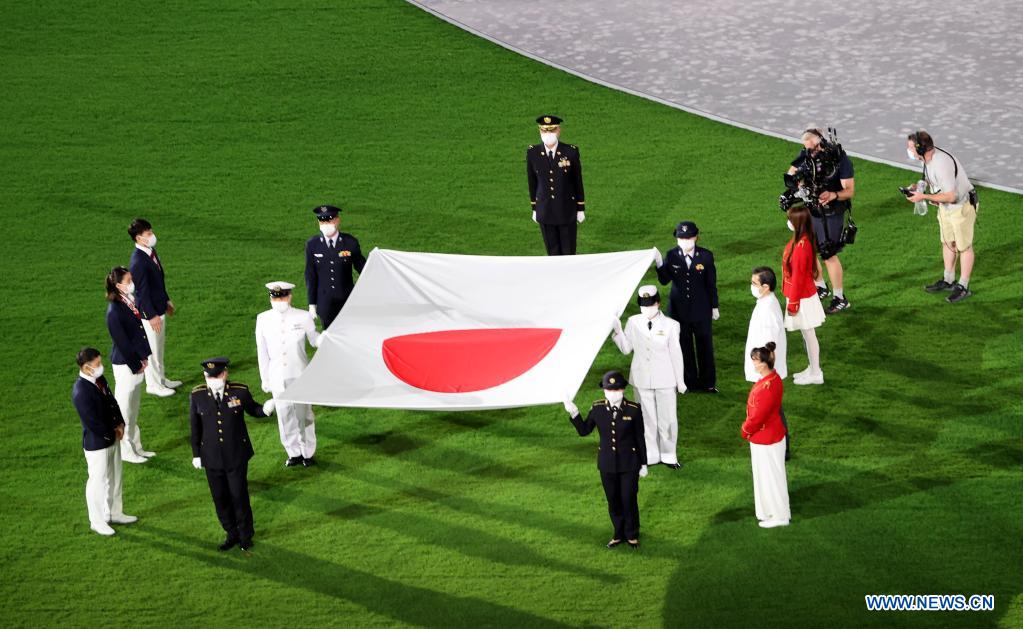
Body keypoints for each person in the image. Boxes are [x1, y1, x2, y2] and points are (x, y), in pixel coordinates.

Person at [190, 357, 275, 551]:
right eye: (209, 376)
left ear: (225, 373)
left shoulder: (239, 391)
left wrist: (266, 410)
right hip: (211, 458)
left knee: (239, 496)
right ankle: (231, 533)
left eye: (217, 375)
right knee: (220, 498)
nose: (212, 379)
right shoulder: (197, 395)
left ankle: (245, 535)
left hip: (236, 455)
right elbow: (195, 427)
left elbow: (253, 409)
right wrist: (196, 454)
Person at [563, 371, 647, 549]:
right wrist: (574, 413)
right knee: (613, 500)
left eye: (616, 389)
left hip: (629, 464)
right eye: (609, 389)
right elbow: (584, 431)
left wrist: (644, 463)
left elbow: (640, 438)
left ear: (623, 389)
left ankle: (631, 534)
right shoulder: (597, 408)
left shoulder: (633, 409)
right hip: (607, 464)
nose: (612, 392)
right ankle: (618, 533)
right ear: (604, 391)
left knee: (628, 498)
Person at [611, 285, 686, 469]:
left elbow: (676, 355)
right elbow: (626, 349)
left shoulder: (671, 325)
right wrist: (618, 332)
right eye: (643, 305)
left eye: (650, 304)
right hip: (641, 379)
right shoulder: (633, 322)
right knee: (646, 418)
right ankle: (651, 454)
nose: (646, 308)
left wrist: (680, 380)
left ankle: (669, 455)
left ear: (658, 303)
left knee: (667, 419)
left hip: (665, 379)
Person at [787, 128, 855, 314]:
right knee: (808, 248)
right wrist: (798, 184)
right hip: (811, 209)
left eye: (812, 148)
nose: (810, 152)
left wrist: (833, 194)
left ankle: (840, 297)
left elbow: (849, 190)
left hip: (831, 212)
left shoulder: (839, 159)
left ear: (821, 142)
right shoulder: (807, 153)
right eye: (807, 149)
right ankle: (821, 286)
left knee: (828, 254)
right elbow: (791, 173)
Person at [904, 130, 978, 303]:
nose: (908, 151)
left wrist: (923, 197)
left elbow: (951, 195)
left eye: (910, 148)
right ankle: (948, 279)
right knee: (947, 242)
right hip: (946, 207)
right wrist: (918, 187)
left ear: (921, 149)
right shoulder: (928, 159)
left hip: (961, 206)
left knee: (964, 247)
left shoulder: (941, 163)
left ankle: (963, 286)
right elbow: (934, 181)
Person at [72, 347, 137, 536]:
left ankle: (115, 513)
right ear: (86, 368)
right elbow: (92, 422)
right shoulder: (81, 391)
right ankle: (97, 520)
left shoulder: (99, 380)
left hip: (112, 437)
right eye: (97, 364)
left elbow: (112, 402)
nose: (101, 367)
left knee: (115, 477)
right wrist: (112, 433)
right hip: (98, 444)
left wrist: (121, 423)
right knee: (98, 482)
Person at [255, 281, 321, 467]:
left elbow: (313, 338)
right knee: (284, 416)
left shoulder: (303, 316)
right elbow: (262, 351)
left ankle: (308, 453)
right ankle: (293, 453)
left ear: (290, 296)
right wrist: (265, 378)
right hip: (277, 376)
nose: (279, 300)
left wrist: (322, 339)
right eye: (276, 297)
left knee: (304, 415)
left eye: (283, 296)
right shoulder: (263, 319)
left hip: (300, 373)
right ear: (271, 298)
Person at [655, 220, 719, 392]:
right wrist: (660, 264)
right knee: (683, 347)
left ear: (696, 237)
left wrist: (714, 306)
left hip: (701, 309)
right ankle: (688, 382)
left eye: (689, 237)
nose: (685, 241)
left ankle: (708, 384)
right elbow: (664, 280)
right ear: (677, 239)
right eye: (682, 238)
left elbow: (711, 283)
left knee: (705, 346)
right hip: (678, 310)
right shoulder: (672, 255)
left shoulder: (706, 256)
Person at [104, 266, 154, 464]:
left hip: (136, 362)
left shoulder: (128, 301)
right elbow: (123, 342)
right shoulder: (114, 311)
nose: (132, 282)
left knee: (133, 408)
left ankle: (136, 446)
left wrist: (144, 358)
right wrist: (136, 364)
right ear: (118, 286)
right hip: (127, 365)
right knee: (124, 411)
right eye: (128, 280)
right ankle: (125, 451)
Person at [128, 218, 181, 397]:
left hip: (158, 308)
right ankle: (153, 385)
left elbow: (157, 282)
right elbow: (141, 292)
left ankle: (161, 379)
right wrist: (151, 316)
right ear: (138, 238)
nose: (152, 236)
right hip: (150, 314)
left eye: (151, 232)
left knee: (159, 349)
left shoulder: (149, 251)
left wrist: (166, 300)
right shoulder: (138, 262)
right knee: (152, 351)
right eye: (148, 234)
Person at [741, 343, 790, 528]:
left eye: (755, 360)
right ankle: (770, 512)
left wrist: (745, 430)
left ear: (764, 363)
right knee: (769, 476)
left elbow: (757, 416)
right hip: (770, 435)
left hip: (766, 438)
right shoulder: (773, 379)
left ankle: (779, 515)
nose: (753, 363)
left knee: (771, 477)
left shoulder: (766, 387)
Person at [746, 266, 791, 459]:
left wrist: (762, 368)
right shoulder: (765, 302)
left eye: (754, 283)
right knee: (772, 409)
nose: (752, 286)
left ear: (765, 286)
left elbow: (770, 343)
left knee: (772, 409)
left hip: (766, 370)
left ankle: (783, 448)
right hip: (765, 369)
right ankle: (782, 447)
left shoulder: (769, 307)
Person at [526, 115, 586, 255]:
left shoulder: (570, 151)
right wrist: (534, 208)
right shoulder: (532, 153)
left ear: (558, 131)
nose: (548, 134)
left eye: (551, 131)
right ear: (540, 131)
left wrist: (580, 208)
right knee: (552, 253)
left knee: (568, 252)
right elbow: (532, 182)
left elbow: (577, 181)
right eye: (545, 131)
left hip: (566, 210)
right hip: (545, 210)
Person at [783, 207, 826, 385]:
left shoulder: (802, 245)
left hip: (801, 296)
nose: (788, 222)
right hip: (800, 294)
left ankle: (816, 372)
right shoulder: (801, 240)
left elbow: (799, 277)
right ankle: (813, 367)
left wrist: (793, 304)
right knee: (807, 334)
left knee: (809, 334)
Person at [305, 205, 366, 329]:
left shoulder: (350, 242)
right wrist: (312, 304)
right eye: (322, 220)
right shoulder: (312, 244)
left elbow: (363, 268)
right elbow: (310, 275)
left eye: (329, 219)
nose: (326, 223)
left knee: (349, 333)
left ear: (337, 220)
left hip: (347, 300)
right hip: (325, 302)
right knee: (329, 336)